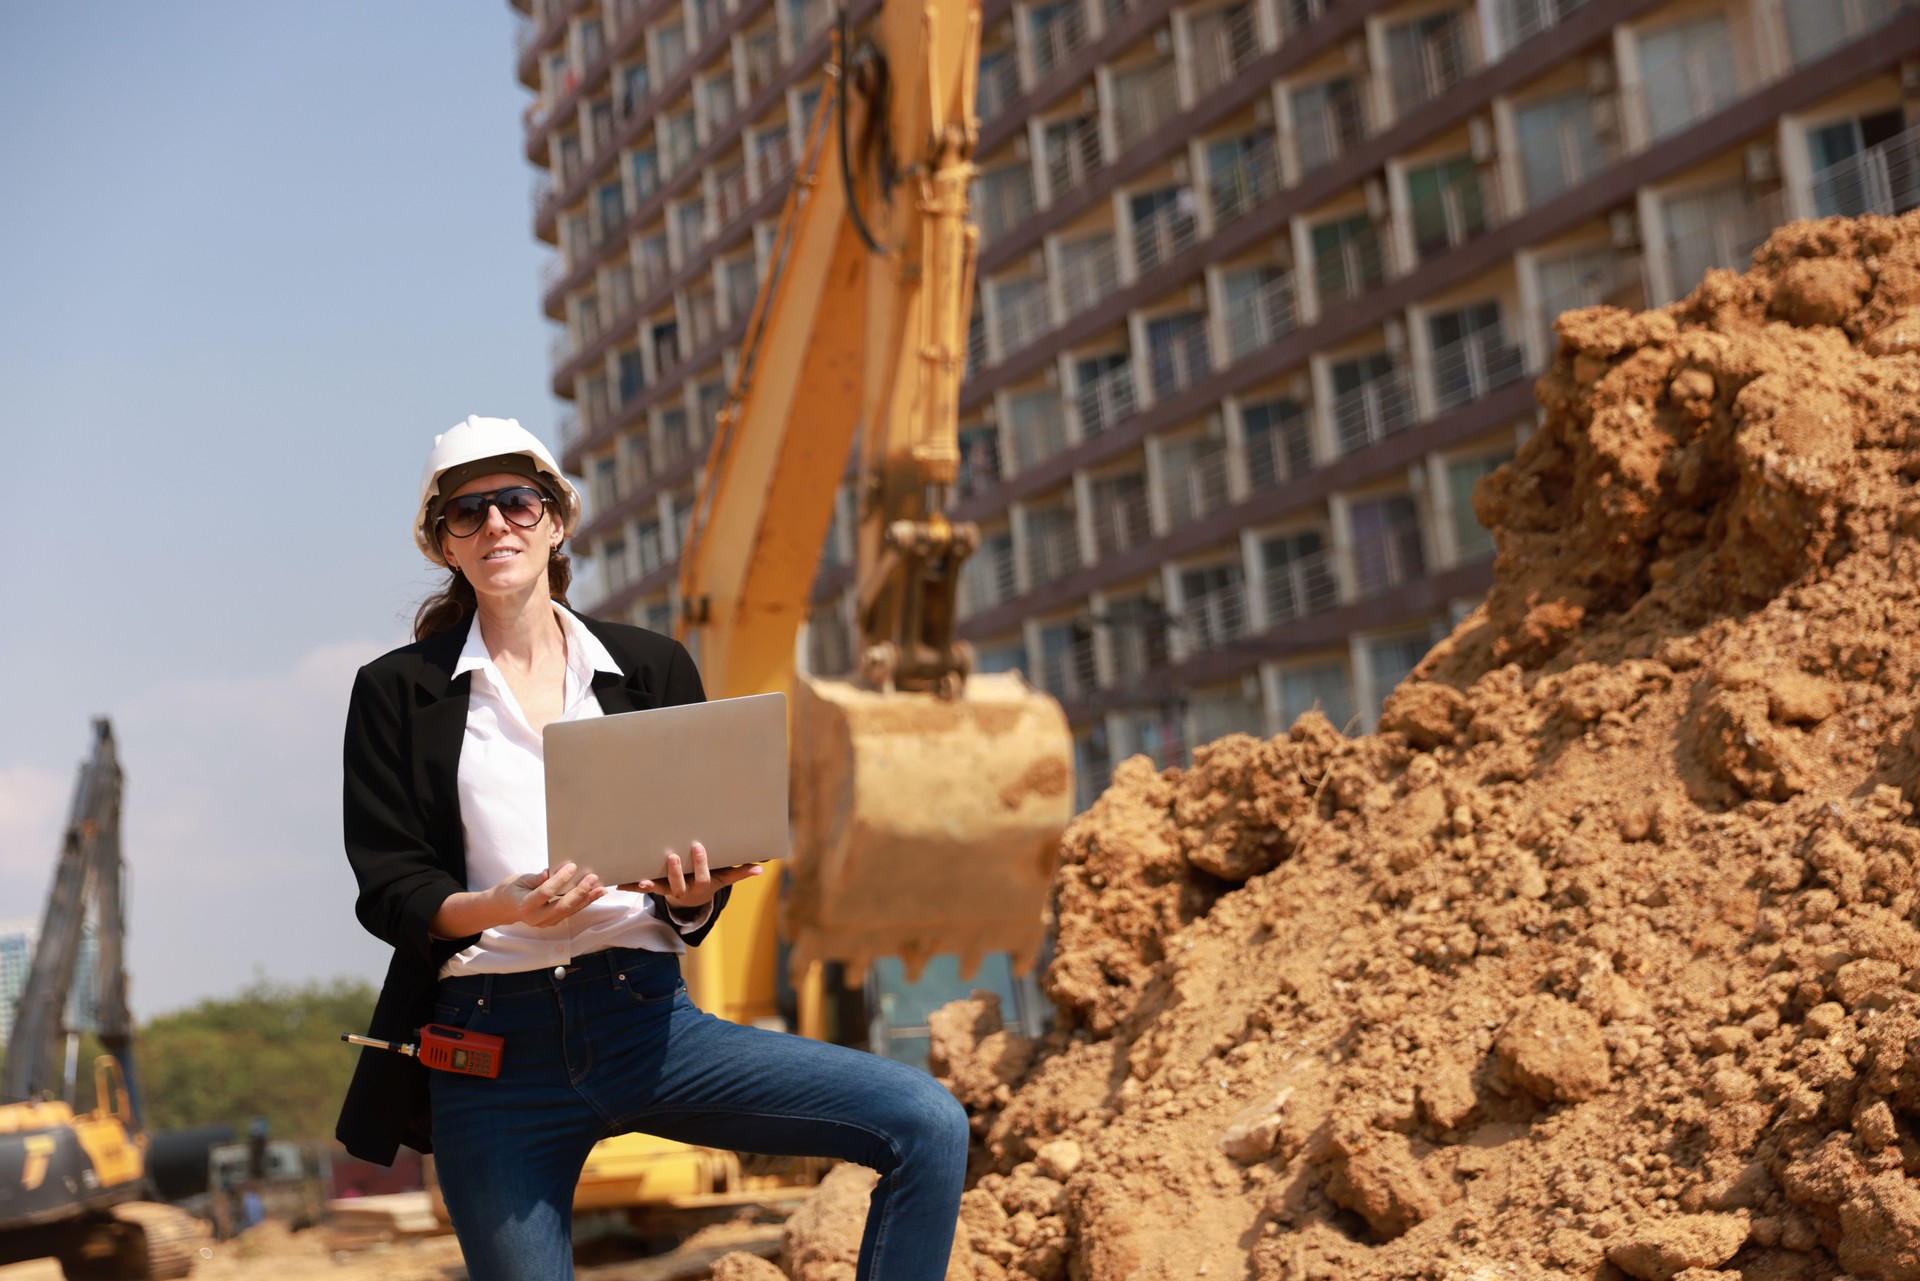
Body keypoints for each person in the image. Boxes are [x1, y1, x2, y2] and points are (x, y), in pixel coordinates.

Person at [336, 416, 969, 1280]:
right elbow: (390, 885)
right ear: (443, 544)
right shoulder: (393, 693)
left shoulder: (649, 667)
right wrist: (505, 904)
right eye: (466, 513)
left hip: (647, 1021)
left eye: (516, 504)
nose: (495, 528)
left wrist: (693, 893)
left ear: (556, 521)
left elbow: (692, 877)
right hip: (494, 1053)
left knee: (926, 1121)